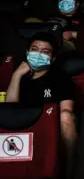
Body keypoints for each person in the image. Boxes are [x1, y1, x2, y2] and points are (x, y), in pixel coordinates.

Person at [6, 32, 77, 176]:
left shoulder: (61, 78)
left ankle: (71, 172)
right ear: (27, 52)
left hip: (50, 128)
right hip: (23, 127)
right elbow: (10, 111)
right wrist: (16, 75)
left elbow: (66, 111)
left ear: (53, 58)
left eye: (45, 52)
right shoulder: (20, 77)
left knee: (66, 117)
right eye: (34, 49)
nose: (38, 55)